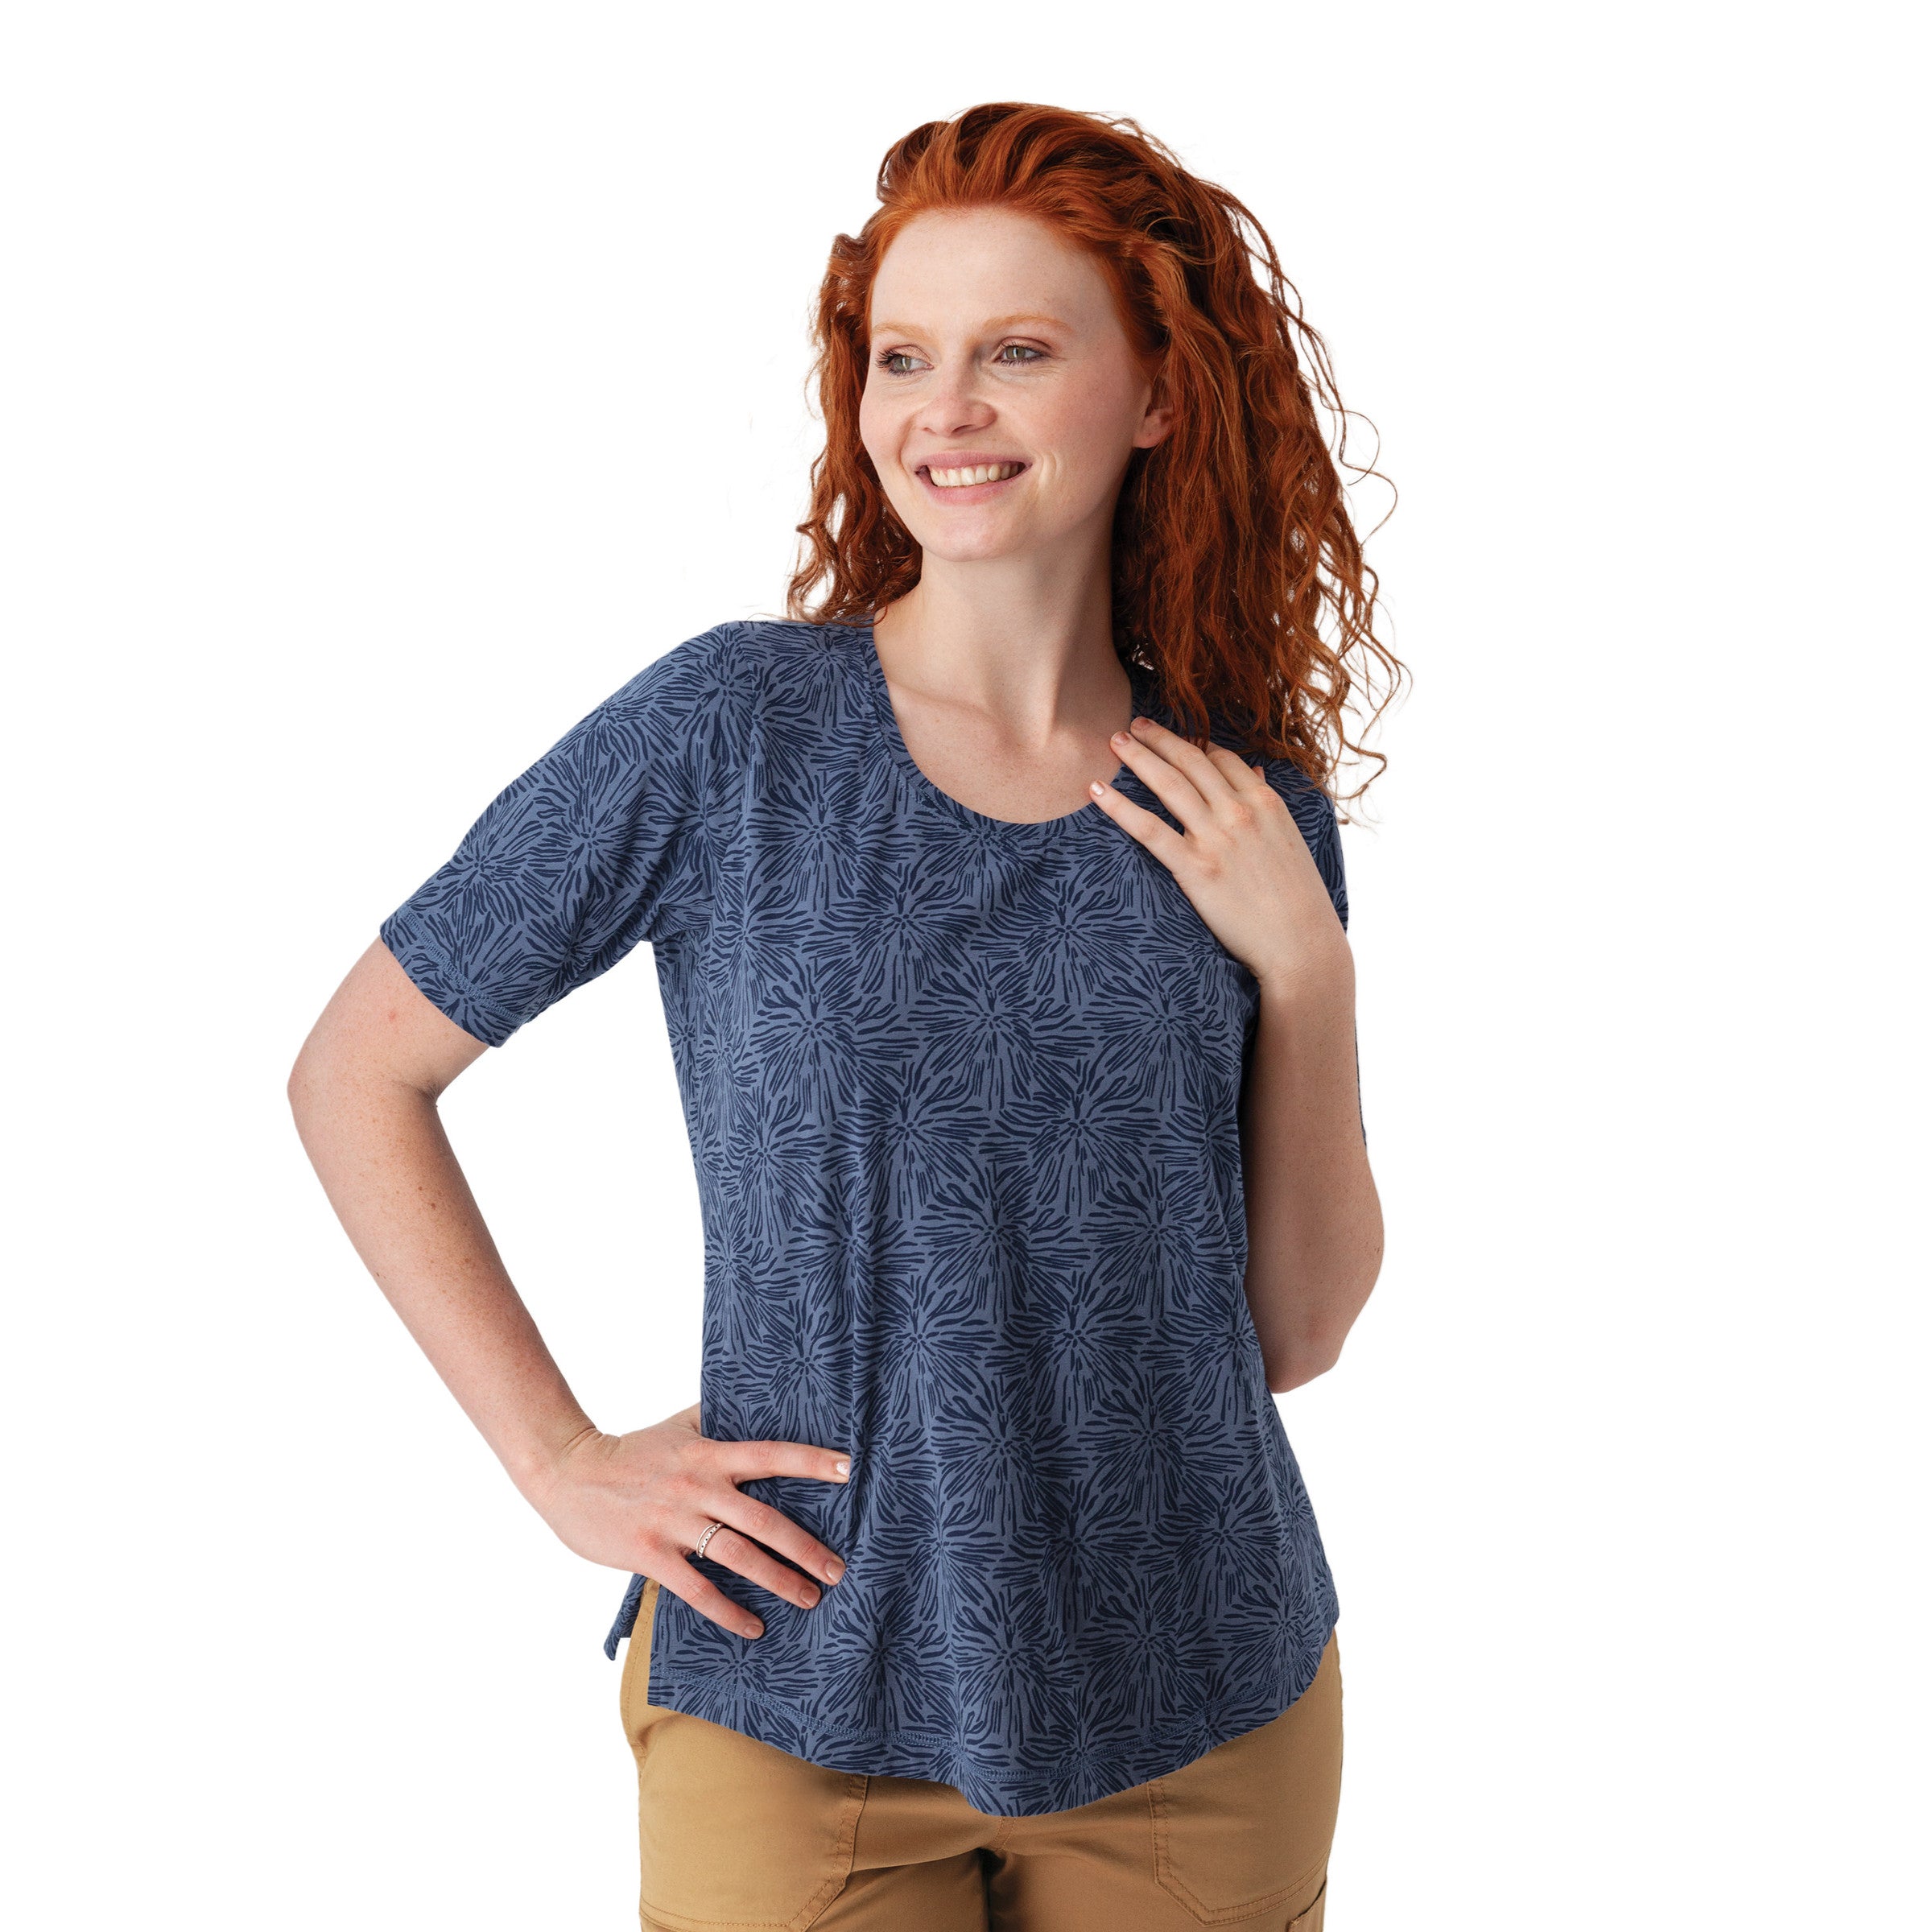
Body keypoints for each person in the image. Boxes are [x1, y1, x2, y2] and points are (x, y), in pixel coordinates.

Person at [289, 100, 1399, 1932]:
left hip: (1203, 1703)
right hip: (793, 1689)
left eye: (1017, 352)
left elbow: (1294, 1330)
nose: (944, 409)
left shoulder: (1243, 804)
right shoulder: (732, 732)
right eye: (903, 356)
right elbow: (357, 1071)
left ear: (1156, 392)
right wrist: (557, 1458)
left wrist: (1309, 969)